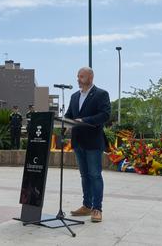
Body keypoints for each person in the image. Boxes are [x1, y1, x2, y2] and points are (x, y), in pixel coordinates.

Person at [64, 67, 111, 223]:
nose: (78, 79)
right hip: (78, 142)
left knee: (95, 175)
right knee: (84, 176)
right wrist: (64, 124)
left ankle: (97, 209)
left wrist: (84, 120)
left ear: (90, 77)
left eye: (82, 76)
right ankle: (86, 206)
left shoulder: (101, 94)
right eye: (78, 76)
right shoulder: (74, 96)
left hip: (93, 142)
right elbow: (69, 115)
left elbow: (105, 115)